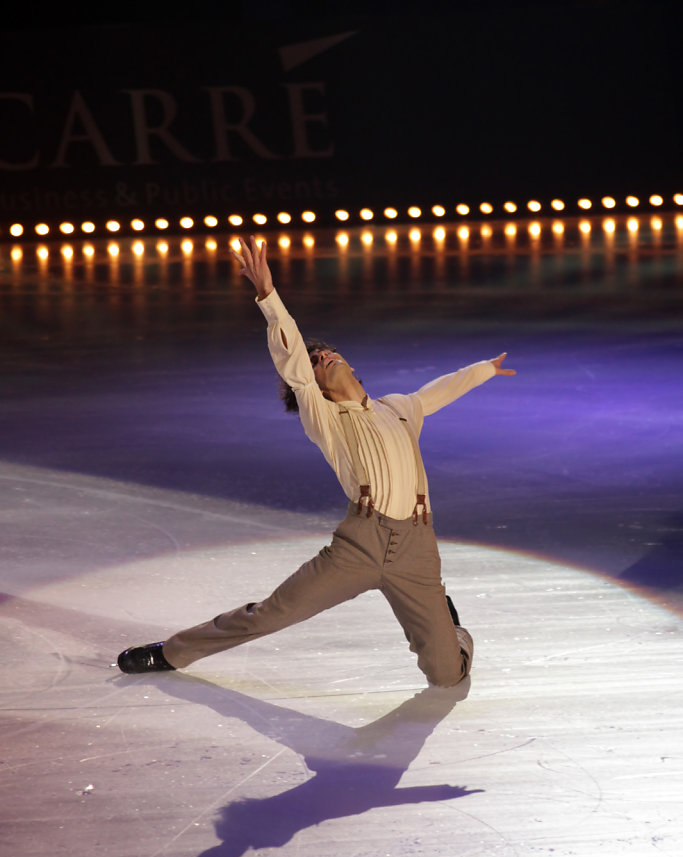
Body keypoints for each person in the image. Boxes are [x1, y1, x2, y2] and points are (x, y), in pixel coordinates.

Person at [117, 235, 515, 686]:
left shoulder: (399, 407)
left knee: (447, 676)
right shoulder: (325, 418)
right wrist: (268, 295)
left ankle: (449, 626)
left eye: (327, 353)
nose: (324, 356)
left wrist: (485, 369)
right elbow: (293, 366)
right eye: (317, 362)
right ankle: (172, 652)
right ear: (317, 388)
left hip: (417, 551)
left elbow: (437, 392)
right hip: (359, 547)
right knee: (270, 615)